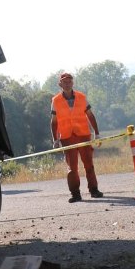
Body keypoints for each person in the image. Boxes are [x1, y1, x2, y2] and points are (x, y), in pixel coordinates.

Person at [50, 72, 103, 201]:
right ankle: (75, 194)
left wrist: (97, 134)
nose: (67, 84)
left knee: (89, 165)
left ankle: (94, 190)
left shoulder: (82, 97)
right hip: (67, 137)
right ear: (60, 84)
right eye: (64, 82)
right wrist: (55, 139)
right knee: (72, 168)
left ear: (72, 83)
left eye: (69, 81)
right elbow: (54, 121)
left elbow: (90, 115)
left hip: (83, 135)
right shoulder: (55, 100)